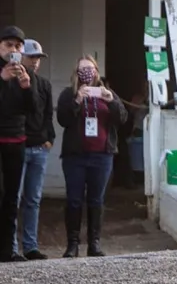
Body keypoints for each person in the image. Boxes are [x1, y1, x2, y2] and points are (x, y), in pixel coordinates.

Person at [57, 55, 127, 258]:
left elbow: (122, 118)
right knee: (74, 200)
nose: (87, 72)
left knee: (96, 200)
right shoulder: (68, 94)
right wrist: (78, 99)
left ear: (96, 71)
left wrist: (111, 101)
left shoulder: (107, 93)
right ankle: (72, 244)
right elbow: (63, 119)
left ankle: (94, 243)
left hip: (102, 156)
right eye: (83, 69)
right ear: (76, 73)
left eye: (90, 68)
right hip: (75, 157)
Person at [11, 39, 55, 260]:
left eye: (38, 58)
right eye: (31, 57)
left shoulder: (44, 84)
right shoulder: (10, 83)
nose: (35, 62)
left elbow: (48, 114)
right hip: (17, 146)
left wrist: (49, 138)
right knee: (13, 198)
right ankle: (10, 247)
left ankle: (30, 246)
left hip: (39, 147)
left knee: (33, 199)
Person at [0, 25, 40, 262]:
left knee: (12, 197)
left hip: (16, 140)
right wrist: (2, 80)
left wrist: (26, 87)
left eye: (17, 46)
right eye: (8, 45)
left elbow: (33, 109)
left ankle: (7, 250)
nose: (13, 50)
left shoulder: (27, 73)